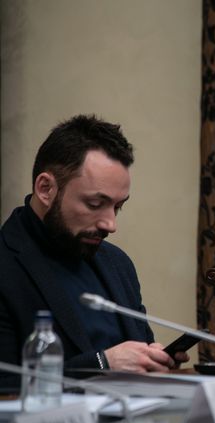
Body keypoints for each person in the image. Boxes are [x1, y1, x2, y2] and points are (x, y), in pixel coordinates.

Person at [0, 115, 187, 388]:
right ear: (45, 189)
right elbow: (5, 384)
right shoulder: (7, 265)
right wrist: (101, 364)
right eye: (95, 204)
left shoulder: (117, 263)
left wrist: (151, 361)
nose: (110, 224)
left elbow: (136, 354)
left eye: (118, 207)